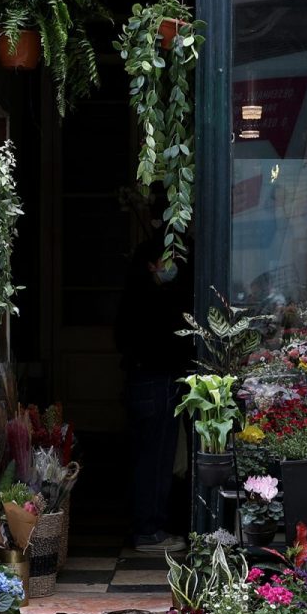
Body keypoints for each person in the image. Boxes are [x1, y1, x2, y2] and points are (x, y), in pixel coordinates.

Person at [115, 219, 194, 554]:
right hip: (157, 380)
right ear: (152, 264)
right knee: (156, 458)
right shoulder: (154, 298)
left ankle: (147, 524)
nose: (171, 269)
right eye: (167, 262)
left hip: (142, 380)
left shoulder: (136, 295)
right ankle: (149, 529)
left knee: (150, 456)